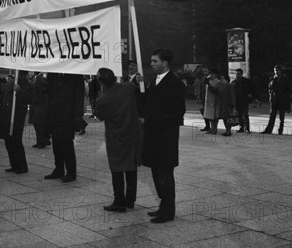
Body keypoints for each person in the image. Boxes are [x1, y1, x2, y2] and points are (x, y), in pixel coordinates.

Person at [138, 48, 186, 224]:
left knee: (165, 175)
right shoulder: (154, 81)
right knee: (156, 174)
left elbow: (179, 111)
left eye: (154, 61)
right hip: (153, 136)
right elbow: (147, 102)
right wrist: (140, 86)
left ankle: (168, 211)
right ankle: (163, 206)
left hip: (165, 137)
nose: (151, 64)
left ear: (165, 63)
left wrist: (158, 120)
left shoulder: (175, 83)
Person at [94, 67, 142, 212]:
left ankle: (119, 201)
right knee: (131, 169)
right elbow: (134, 84)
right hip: (132, 135)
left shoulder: (104, 99)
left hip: (116, 137)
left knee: (117, 170)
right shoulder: (127, 88)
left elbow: (99, 114)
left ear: (101, 82)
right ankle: (130, 200)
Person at [44, 73, 86, 183]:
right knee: (56, 144)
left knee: (67, 144)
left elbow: (79, 95)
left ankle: (71, 172)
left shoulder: (75, 74)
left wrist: (78, 116)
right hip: (54, 113)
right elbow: (48, 92)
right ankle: (59, 169)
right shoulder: (52, 73)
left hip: (68, 114)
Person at [0, 71, 32, 174]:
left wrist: (19, 91)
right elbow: (3, 96)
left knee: (16, 141)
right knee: (8, 142)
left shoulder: (27, 86)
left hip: (17, 117)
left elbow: (29, 99)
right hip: (7, 116)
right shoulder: (9, 84)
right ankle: (14, 164)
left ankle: (22, 166)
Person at [262, 65, 292, 135]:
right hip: (274, 100)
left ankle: (280, 130)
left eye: (277, 70)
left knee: (281, 117)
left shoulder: (285, 79)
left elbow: (289, 89)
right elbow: (269, 88)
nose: (276, 72)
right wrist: (270, 96)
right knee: (272, 116)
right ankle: (268, 130)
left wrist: (285, 97)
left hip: (282, 100)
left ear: (280, 71)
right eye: (275, 70)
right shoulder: (272, 78)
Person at [29, 72, 50, 148]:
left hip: (41, 103)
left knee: (39, 124)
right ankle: (39, 141)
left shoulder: (43, 74)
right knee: (36, 124)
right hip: (37, 102)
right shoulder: (38, 76)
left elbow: (44, 86)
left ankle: (43, 141)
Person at [231, 68, 252, 133]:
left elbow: (251, 89)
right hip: (237, 100)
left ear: (242, 74)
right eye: (236, 74)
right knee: (239, 114)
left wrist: (250, 95)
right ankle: (241, 127)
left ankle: (247, 128)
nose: (237, 75)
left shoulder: (246, 81)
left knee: (245, 114)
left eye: (239, 73)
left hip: (244, 99)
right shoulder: (233, 82)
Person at [203, 70, 222, 134]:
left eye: (212, 74)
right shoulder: (209, 80)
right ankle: (211, 128)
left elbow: (214, 90)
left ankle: (215, 128)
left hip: (215, 100)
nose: (210, 75)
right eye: (210, 74)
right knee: (209, 115)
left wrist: (208, 84)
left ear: (215, 75)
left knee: (214, 116)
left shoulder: (218, 81)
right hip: (208, 100)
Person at [193, 67, 210, 132]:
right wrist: (199, 97)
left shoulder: (210, 78)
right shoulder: (203, 79)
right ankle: (207, 125)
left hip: (210, 98)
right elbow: (201, 89)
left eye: (206, 71)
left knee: (210, 113)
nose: (205, 72)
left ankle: (211, 126)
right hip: (204, 98)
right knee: (204, 112)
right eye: (204, 71)